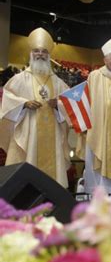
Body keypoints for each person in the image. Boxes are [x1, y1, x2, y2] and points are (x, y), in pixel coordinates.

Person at [0, 28, 70, 187]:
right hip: (29, 133)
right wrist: (24, 104)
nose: (40, 54)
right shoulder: (20, 79)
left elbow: (69, 103)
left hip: (52, 135)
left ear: (49, 55)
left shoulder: (58, 82)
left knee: (52, 184)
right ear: (31, 53)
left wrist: (58, 105)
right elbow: (7, 98)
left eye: (44, 51)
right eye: (37, 51)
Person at [79, 36, 111, 194]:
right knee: (98, 162)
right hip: (99, 127)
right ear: (105, 59)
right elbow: (84, 98)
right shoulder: (95, 76)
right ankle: (99, 196)